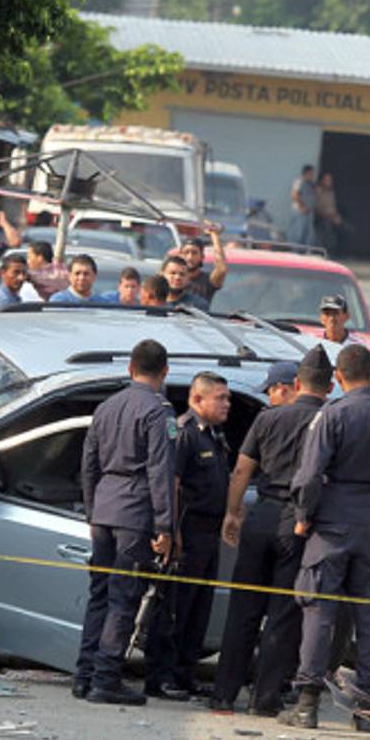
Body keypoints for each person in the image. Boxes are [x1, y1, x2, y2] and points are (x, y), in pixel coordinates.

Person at [281, 345, 370, 728]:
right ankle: (368, 705)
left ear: (338, 378)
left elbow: (308, 476)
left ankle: (307, 704)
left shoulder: (331, 416)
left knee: (319, 609)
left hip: (333, 525)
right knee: (369, 613)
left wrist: (304, 516)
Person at [211, 351, 332, 715]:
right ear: (328, 386)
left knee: (243, 609)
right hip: (299, 524)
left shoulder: (267, 419)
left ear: (295, 384)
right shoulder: (328, 422)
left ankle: (223, 694)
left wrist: (232, 515)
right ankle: (264, 698)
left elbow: (241, 472)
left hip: (261, 516)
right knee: (283, 612)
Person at [74, 340, 177, 707]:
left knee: (99, 594)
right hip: (134, 511)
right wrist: (166, 527)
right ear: (163, 373)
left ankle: (84, 675)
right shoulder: (158, 411)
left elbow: (88, 464)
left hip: (104, 507)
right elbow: (160, 471)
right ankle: (106, 679)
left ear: (131, 369)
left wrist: (92, 511)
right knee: (123, 598)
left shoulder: (106, 407)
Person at [144, 372, 232, 700]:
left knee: (198, 609)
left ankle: (184, 672)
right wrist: (173, 533)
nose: (226, 405)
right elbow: (173, 484)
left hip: (209, 534)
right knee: (174, 609)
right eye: (220, 398)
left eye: (227, 399)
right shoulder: (183, 433)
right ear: (198, 400)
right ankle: (161, 675)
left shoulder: (212, 435)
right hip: (188, 531)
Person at [180, 227, 227, 304]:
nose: (190, 257)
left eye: (194, 253)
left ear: (202, 257)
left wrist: (214, 235)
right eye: (186, 252)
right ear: (180, 255)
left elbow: (221, 268)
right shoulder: (173, 278)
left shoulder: (208, 280)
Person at [314, 173, 345, 255]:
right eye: (327, 180)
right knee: (326, 233)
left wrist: (336, 216)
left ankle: (335, 252)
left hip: (332, 217)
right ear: (322, 181)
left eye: (330, 180)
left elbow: (332, 206)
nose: (329, 182)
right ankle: (323, 253)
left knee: (343, 228)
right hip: (322, 217)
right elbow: (317, 207)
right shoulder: (318, 191)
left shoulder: (331, 192)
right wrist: (329, 216)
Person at [287, 165, 317, 247]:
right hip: (300, 211)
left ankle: (304, 252)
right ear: (307, 173)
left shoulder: (311, 184)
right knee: (298, 233)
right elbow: (294, 195)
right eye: (311, 173)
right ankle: (294, 251)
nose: (313, 175)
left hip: (308, 212)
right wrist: (303, 206)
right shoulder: (299, 182)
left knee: (307, 235)